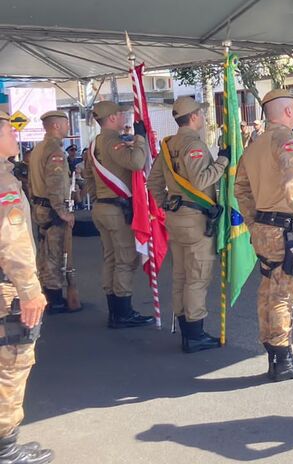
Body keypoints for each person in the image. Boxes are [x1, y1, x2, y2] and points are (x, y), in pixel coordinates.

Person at [235, 90, 293, 381]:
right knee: (283, 294)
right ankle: (284, 360)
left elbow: (241, 190)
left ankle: (274, 353)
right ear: (286, 111)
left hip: (263, 227)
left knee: (268, 290)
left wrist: (253, 221)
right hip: (286, 229)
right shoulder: (287, 141)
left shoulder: (255, 145)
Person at [146, 97, 227, 353]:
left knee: (181, 275)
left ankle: (186, 331)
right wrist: (223, 161)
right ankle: (194, 335)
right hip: (195, 221)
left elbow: (153, 182)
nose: (203, 118)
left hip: (176, 218)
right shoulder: (193, 144)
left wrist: (168, 204)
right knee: (197, 277)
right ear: (193, 117)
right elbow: (202, 179)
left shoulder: (169, 146)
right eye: (201, 114)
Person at [0, 111, 54, 464]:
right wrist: (30, 290)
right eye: (8, 129)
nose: (14, 135)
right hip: (7, 287)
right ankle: (5, 447)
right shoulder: (3, 184)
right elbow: (13, 242)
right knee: (13, 361)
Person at [83, 101, 156, 329]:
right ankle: (123, 313)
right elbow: (135, 162)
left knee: (111, 259)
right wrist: (141, 139)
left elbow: (87, 177)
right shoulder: (112, 141)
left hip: (102, 208)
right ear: (112, 118)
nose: (124, 116)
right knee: (125, 260)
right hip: (117, 210)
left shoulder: (93, 144)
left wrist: (97, 200)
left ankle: (115, 310)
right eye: (120, 113)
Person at [27, 110, 79, 315]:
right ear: (56, 125)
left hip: (40, 206)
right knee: (55, 254)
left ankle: (50, 294)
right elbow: (55, 183)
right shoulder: (54, 151)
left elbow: (31, 182)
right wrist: (62, 211)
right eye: (66, 124)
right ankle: (55, 298)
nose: (68, 128)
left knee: (46, 251)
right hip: (51, 208)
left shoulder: (39, 149)